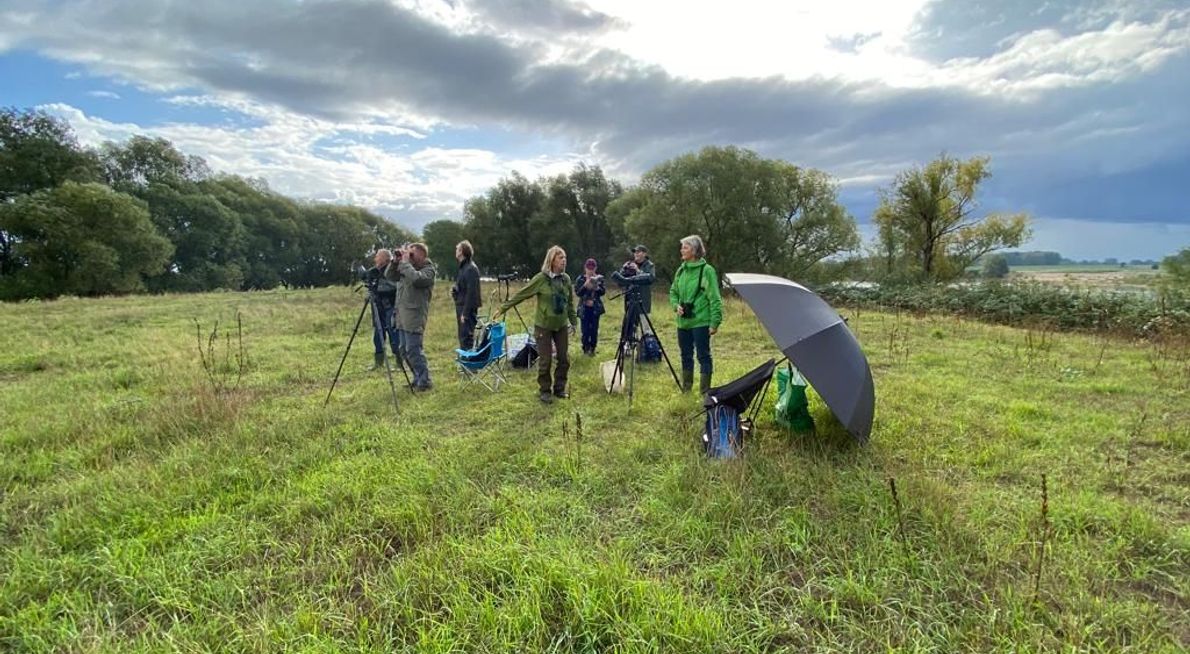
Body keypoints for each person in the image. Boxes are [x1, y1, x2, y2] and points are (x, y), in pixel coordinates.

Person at [493, 245, 578, 404]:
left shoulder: (566, 279)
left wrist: (573, 322)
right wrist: (503, 308)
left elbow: (570, 303)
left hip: (561, 326)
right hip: (543, 326)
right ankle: (544, 390)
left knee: (563, 358)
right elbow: (522, 294)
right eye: (561, 258)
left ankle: (559, 388)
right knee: (545, 360)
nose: (564, 261)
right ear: (552, 260)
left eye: (565, 258)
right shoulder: (541, 279)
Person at [669, 235, 723, 394]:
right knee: (685, 355)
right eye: (682, 247)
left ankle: (704, 392)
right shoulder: (681, 270)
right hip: (683, 322)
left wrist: (715, 322)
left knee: (703, 356)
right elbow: (673, 292)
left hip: (701, 321)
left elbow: (715, 298)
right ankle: (686, 389)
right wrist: (675, 305)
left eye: (685, 247)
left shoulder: (707, 271)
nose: (681, 250)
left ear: (694, 250)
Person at [385, 242, 437, 391]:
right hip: (401, 315)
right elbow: (389, 276)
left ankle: (425, 380)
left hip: (414, 315)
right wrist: (396, 262)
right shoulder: (405, 268)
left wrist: (406, 262)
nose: (409, 256)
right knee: (403, 350)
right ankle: (417, 377)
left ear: (421, 255)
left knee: (413, 349)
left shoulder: (429, 270)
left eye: (412, 254)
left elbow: (417, 279)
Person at [365, 248, 401, 370]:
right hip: (377, 306)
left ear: (386, 259)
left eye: (378, 256)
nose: (375, 258)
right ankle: (378, 362)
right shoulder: (373, 271)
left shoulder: (393, 270)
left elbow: (394, 287)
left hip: (391, 305)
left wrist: (380, 287)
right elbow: (368, 283)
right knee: (378, 334)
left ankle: (399, 362)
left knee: (393, 333)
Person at [610, 244, 655, 333]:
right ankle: (629, 344)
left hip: (643, 301)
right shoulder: (629, 264)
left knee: (645, 328)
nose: (636, 254)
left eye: (638, 252)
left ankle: (644, 345)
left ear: (644, 254)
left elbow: (650, 278)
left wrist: (637, 270)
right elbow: (620, 282)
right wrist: (624, 270)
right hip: (630, 300)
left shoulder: (649, 265)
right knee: (629, 327)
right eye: (635, 252)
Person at [453, 240, 482, 350]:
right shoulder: (463, 268)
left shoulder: (471, 269)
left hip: (467, 308)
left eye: (457, 249)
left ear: (462, 251)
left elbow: (472, 293)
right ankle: (465, 362)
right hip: (461, 305)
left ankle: (469, 364)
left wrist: (465, 313)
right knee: (462, 336)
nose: (455, 251)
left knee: (466, 337)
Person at [574, 258, 606, 356]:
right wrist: (585, 285)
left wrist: (596, 286)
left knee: (594, 330)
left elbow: (603, 292)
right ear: (585, 268)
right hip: (584, 308)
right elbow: (578, 293)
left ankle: (592, 348)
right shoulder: (580, 279)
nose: (590, 270)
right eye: (588, 268)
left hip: (595, 308)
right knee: (585, 330)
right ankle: (585, 348)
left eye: (592, 268)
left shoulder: (599, 278)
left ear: (595, 268)